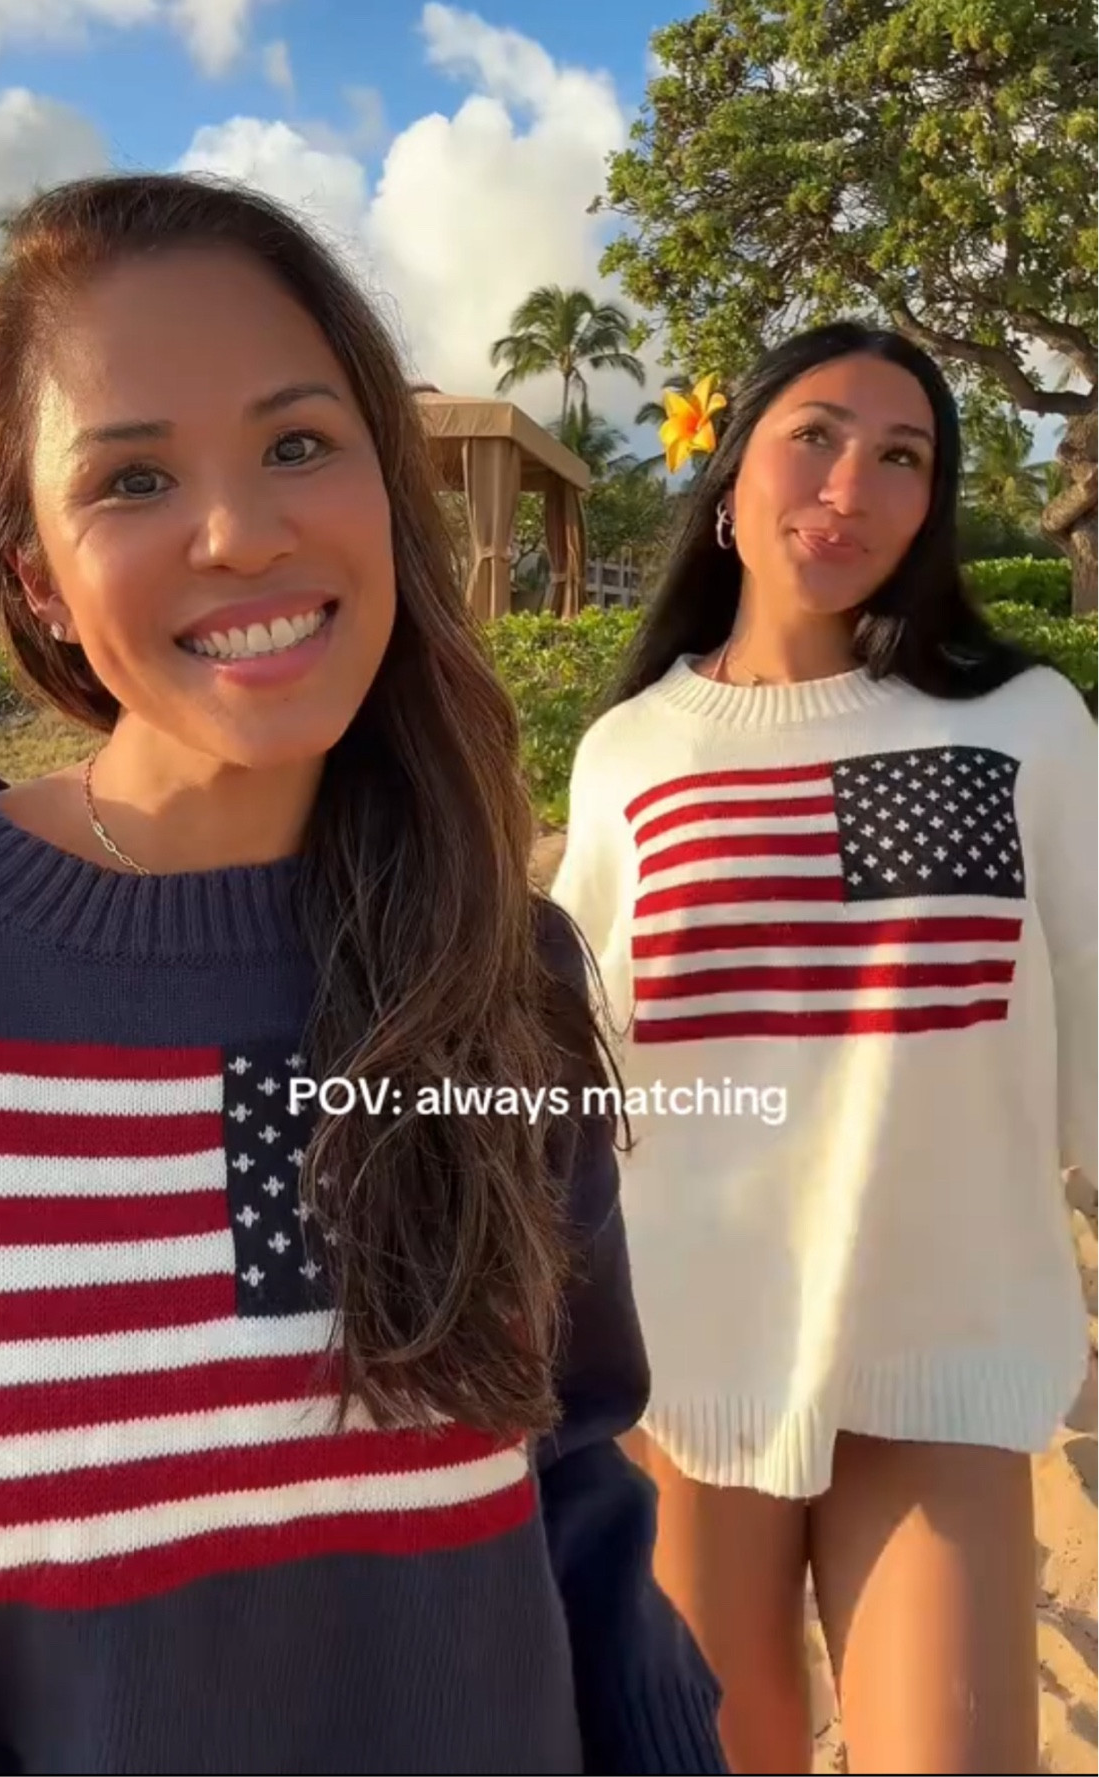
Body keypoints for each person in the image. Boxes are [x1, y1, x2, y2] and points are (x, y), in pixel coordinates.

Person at [0, 171, 728, 1777]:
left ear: (385, 484)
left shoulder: (507, 966)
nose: (241, 531)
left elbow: (571, 1468)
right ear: (31, 575)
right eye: (133, 478)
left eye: (298, 444)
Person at [551, 321, 1097, 1775]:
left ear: (929, 508)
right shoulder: (629, 752)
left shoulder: (1026, 724)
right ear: (727, 481)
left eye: (900, 454)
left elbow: (1094, 1006)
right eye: (815, 434)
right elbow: (568, 1052)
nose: (851, 480)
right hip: (688, 1361)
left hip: (942, 1346)